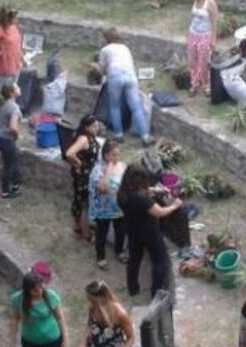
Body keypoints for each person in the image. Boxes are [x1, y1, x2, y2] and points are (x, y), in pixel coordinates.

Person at [118, 166, 182, 298]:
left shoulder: (122, 193)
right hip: (149, 232)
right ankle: (156, 291)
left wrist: (156, 190)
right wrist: (174, 206)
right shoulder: (142, 199)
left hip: (132, 230)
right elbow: (159, 212)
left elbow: (141, 192)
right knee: (160, 260)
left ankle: (133, 288)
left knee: (134, 259)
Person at [91, 29, 152, 145]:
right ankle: (145, 136)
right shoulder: (125, 48)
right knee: (136, 107)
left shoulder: (105, 50)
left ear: (106, 39)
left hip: (115, 76)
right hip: (130, 76)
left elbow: (103, 71)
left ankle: (119, 135)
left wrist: (95, 67)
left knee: (114, 106)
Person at [89, 139, 128, 270]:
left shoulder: (122, 166)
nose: (117, 157)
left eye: (118, 154)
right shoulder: (98, 169)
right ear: (106, 155)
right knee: (102, 233)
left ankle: (119, 251)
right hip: (103, 208)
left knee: (120, 231)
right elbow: (103, 188)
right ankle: (101, 257)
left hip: (119, 207)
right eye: (113, 155)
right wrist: (109, 170)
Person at [65, 114, 102, 241]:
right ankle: (85, 233)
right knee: (83, 204)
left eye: (97, 125)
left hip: (88, 173)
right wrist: (79, 163)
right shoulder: (83, 139)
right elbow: (69, 154)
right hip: (83, 177)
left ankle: (79, 226)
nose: (96, 128)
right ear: (86, 127)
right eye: (93, 126)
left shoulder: (90, 137)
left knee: (82, 202)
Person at [186, 0, 219, 97]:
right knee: (192, 60)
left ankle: (207, 85)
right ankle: (194, 83)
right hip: (194, 33)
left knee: (204, 61)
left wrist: (213, 40)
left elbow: (214, 23)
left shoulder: (210, 3)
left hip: (205, 35)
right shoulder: (196, 1)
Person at [0, 83, 24, 199]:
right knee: (9, 165)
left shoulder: (5, 103)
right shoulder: (14, 107)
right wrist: (17, 136)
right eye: (17, 87)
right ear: (12, 93)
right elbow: (13, 127)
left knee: (12, 159)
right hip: (5, 139)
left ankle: (16, 183)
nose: (20, 88)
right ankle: (5, 191)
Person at [0, 6, 24, 94]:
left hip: (15, 65)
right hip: (5, 67)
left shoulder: (13, 27)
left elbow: (17, 44)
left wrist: (22, 59)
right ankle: (2, 107)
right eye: (15, 17)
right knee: (4, 92)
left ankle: (10, 106)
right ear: (8, 18)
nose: (17, 19)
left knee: (13, 90)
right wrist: (1, 54)